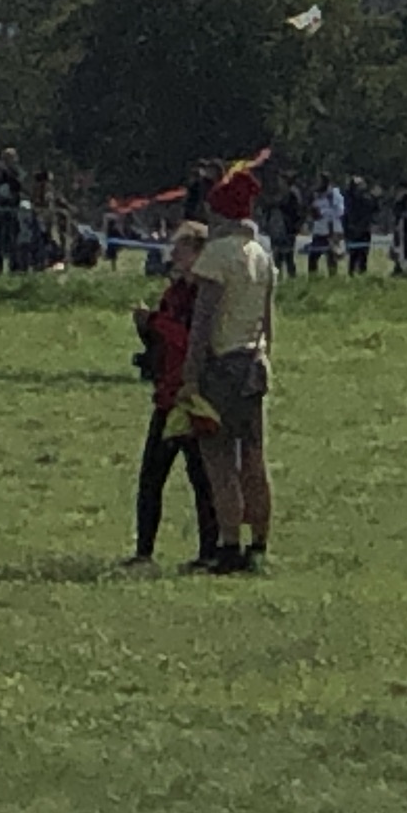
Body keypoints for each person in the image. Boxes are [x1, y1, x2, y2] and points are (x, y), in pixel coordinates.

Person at [180, 166, 278, 572]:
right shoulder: (262, 256)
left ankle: (229, 545)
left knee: (219, 457)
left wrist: (190, 371)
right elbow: (268, 319)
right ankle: (259, 544)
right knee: (254, 456)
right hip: (255, 362)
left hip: (221, 364)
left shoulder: (216, 256)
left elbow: (203, 319)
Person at [130, 220, 223, 567]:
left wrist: (152, 322)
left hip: (192, 394)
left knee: (201, 479)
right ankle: (144, 552)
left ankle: (209, 552)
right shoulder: (173, 293)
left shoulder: (204, 295)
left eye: (180, 249)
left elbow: (188, 339)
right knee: (151, 476)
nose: (174, 256)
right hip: (166, 394)